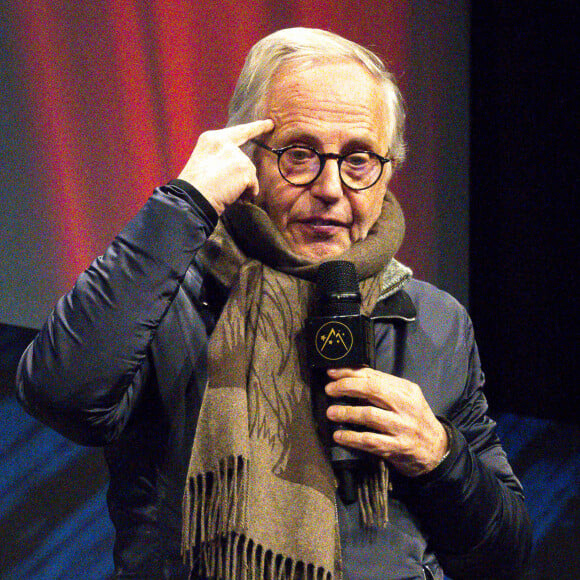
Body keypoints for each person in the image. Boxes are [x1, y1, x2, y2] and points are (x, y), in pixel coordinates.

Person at [16, 28, 532, 579]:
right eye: (300, 154)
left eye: (358, 160)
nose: (331, 187)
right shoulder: (168, 293)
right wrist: (184, 204)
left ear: (388, 173)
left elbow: (503, 555)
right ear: (246, 158)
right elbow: (61, 393)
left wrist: (441, 458)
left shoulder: (433, 320)